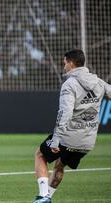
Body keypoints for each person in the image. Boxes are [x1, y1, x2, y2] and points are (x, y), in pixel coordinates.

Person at [33, 49, 111, 203]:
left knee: (40, 155)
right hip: (87, 142)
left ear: (70, 63)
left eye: (64, 64)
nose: (64, 67)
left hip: (68, 137)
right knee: (59, 165)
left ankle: (43, 196)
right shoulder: (99, 82)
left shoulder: (70, 84)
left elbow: (65, 113)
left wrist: (56, 140)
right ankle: (47, 197)